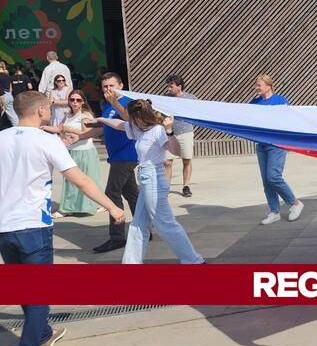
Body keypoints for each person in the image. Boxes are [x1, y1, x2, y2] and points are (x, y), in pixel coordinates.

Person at [0, 91, 124, 346]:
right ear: (42, 110)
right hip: (33, 227)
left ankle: (43, 333)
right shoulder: (45, 140)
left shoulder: (2, 137)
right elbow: (79, 179)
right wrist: (112, 207)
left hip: (4, 228)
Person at [97, 95, 205, 264]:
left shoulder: (158, 130)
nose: (129, 121)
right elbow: (120, 125)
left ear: (139, 117)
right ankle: (131, 263)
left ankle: (194, 260)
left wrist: (170, 131)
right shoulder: (137, 128)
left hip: (154, 178)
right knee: (138, 224)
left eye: (131, 118)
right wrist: (102, 119)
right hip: (146, 178)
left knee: (165, 223)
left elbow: (176, 151)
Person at [79, 72, 141, 254]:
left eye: (111, 86)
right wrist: (79, 136)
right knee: (132, 194)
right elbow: (102, 127)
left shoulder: (128, 102)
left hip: (127, 155)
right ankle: (143, 229)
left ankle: (117, 238)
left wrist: (114, 102)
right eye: (105, 86)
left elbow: (130, 121)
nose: (108, 89)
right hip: (117, 156)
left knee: (111, 194)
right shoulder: (107, 105)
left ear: (121, 85)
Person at [250, 74, 305, 225]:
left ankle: (294, 203)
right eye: (256, 84)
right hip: (261, 145)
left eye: (259, 85)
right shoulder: (254, 102)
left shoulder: (280, 101)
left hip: (277, 145)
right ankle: (274, 212)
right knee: (266, 181)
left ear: (268, 86)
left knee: (273, 176)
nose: (256, 87)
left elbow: (288, 121)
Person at [50, 89, 103, 216]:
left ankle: (93, 205)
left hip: (84, 152)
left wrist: (70, 129)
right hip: (71, 151)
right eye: (72, 99)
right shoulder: (68, 115)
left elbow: (89, 133)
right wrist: (42, 127)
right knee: (70, 181)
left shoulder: (85, 116)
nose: (75, 102)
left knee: (87, 181)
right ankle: (68, 207)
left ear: (83, 102)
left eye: (78, 100)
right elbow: (58, 129)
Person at [162, 74, 197, 197]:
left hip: (186, 132)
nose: (169, 89)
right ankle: (166, 188)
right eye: (168, 86)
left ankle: (186, 186)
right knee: (167, 162)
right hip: (169, 134)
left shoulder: (191, 98)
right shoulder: (165, 98)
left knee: (186, 160)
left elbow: (198, 112)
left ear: (179, 86)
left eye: (171, 86)